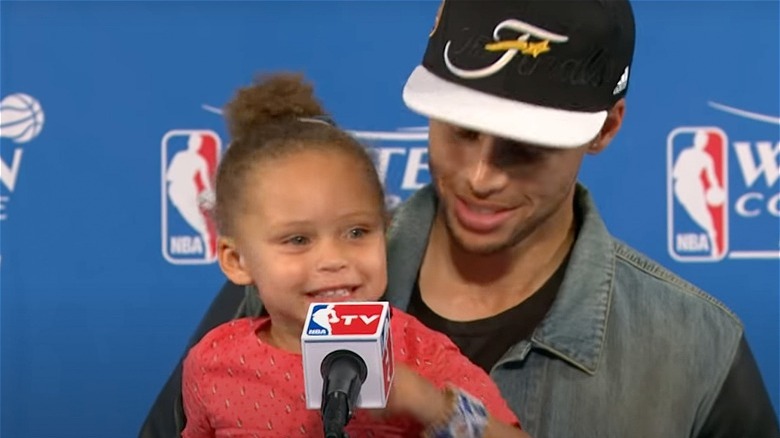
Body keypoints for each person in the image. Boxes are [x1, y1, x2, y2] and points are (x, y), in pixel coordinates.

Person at [140, 1, 780, 437]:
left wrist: (432, 405)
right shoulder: (276, 289)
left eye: (525, 144)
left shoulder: (698, 350)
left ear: (606, 127)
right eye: (461, 130)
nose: (480, 175)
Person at [179, 72, 528, 437]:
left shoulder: (419, 353)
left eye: (357, 232)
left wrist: (429, 403)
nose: (334, 259)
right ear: (237, 261)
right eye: (298, 239)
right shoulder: (213, 361)